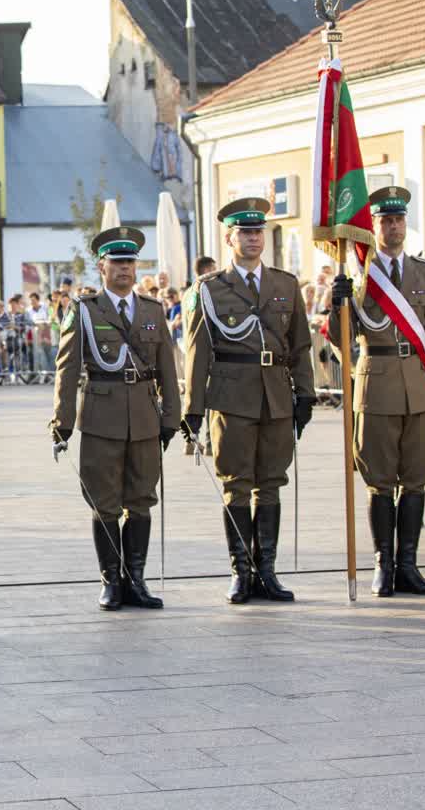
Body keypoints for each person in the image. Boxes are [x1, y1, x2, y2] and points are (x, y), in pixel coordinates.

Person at [182, 197, 313, 604]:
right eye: (245, 232)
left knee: (271, 483)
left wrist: (306, 393)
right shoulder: (209, 289)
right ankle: (241, 571)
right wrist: (193, 410)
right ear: (229, 238)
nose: (254, 238)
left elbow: (300, 346)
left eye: (259, 232)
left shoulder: (285, 284)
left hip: (276, 396)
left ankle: (266, 571)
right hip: (232, 398)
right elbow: (197, 352)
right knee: (236, 485)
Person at [327, 187, 425, 596]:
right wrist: (337, 306)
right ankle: (384, 564)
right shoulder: (357, 273)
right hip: (376, 386)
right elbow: (342, 341)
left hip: (419, 387)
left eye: (398, 220)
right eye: (385, 220)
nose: (393, 227)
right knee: (379, 481)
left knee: (416, 480)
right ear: (372, 226)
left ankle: (408, 566)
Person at [50, 227, 180, 611]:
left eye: (130, 262)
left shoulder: (152, 310)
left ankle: (135, 580)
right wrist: (62, 421)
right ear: (102, 267)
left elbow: (167, 369)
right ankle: (110, 580)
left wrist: (172, 418)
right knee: (104, 501)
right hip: (101, 417)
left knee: (141, 499)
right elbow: (67, 369)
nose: (124, 269)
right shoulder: (85, 310)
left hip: (144, 417)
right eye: (117, 262)